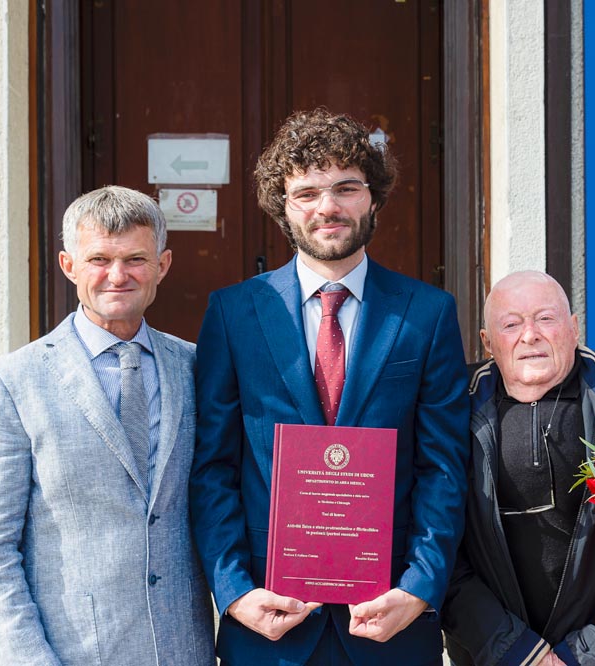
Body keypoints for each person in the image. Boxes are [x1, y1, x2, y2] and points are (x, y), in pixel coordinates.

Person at [190, 108, 470, 666]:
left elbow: (443, 467)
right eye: (307, 193)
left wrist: (419, 588)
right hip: (268, 622)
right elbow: (213, 467)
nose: (328, 207)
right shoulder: (233, 313)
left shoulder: (428, 313)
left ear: (373, 198)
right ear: (283, 206)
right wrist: (235, 592)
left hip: (389, 620)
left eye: (346, 188)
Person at [0, 186, 215, 665]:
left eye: (135, 259)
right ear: (69, 266)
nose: (117, 275)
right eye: (99, 259)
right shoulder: (13, 381)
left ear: (162, 265)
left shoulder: (196, 367)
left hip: (184, 650)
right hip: (74, 654)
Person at [442, 270, 595, 666]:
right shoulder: (453, 406)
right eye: (511, 324)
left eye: (545, 318)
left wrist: (583, 656)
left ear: (574, 328)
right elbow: (440, 544)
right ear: (487, 342)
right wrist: (515, 652)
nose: (530, 335)